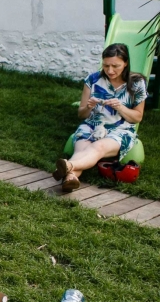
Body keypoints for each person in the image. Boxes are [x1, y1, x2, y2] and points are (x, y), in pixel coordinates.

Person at [53, 43, 147, 192]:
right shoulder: (93, 80)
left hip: (121, 129)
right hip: (92, 125)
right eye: (106, 65)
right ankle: (71, 178)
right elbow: (81, 114)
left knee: (98, 147)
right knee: (81, 150)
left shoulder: (136, 83)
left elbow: (137, 117)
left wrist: (120, 107)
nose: (110, 70)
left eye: (115, 66)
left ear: (126, 63)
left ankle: (69, 166)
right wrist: (89, 107)